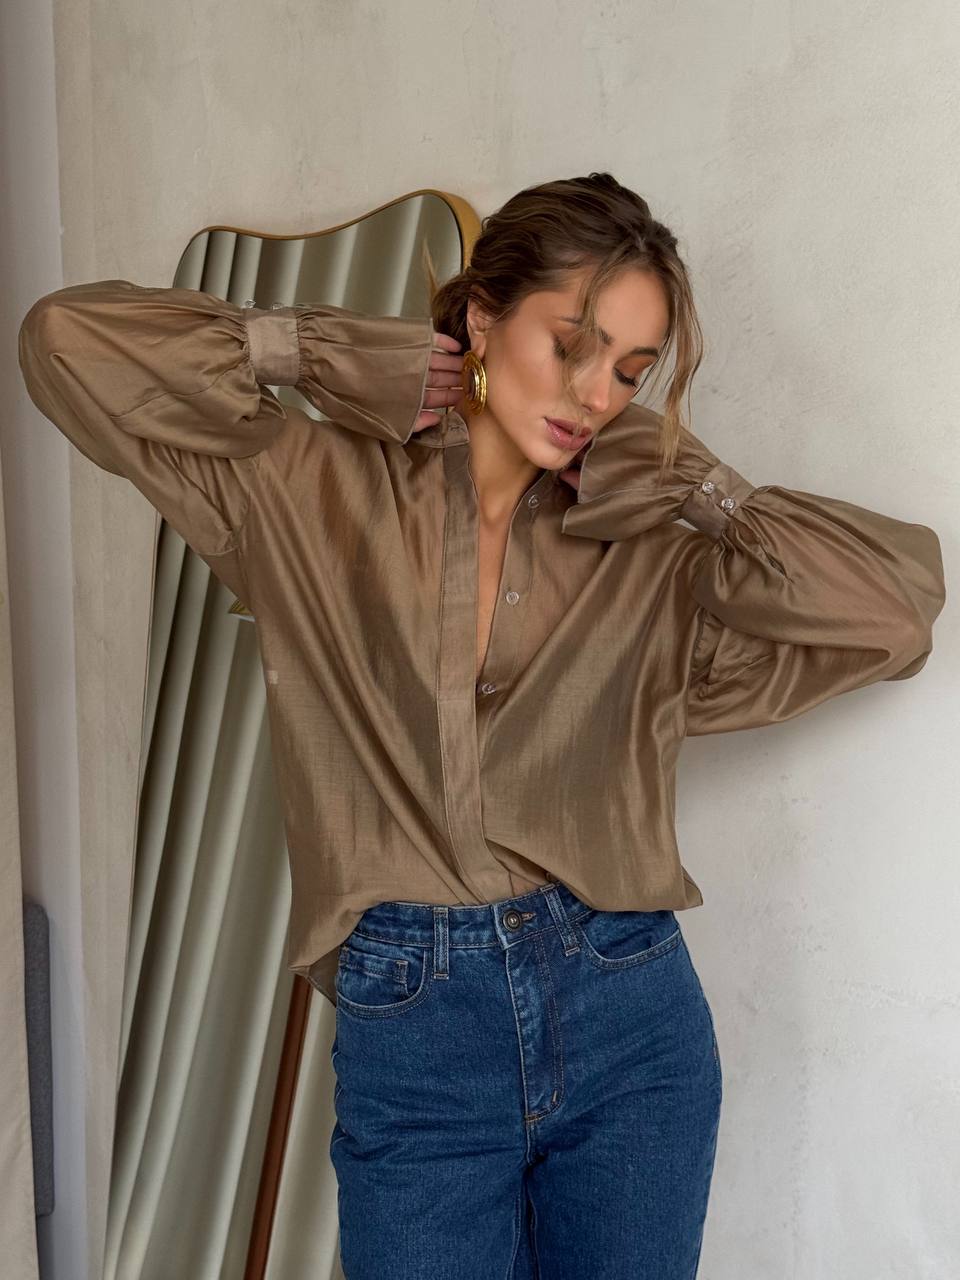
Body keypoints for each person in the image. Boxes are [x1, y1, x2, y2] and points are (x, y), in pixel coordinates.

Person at [18, 172, 946, 1279]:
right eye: (573, 345)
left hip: (629, 1012)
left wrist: (698, 482)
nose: (596, 394)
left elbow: (897, 613)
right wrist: (313, 351)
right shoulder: (302, 486)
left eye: (631, 371)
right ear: (482, 316)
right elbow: (63, 344)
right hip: (418, 1037)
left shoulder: (651, 558)